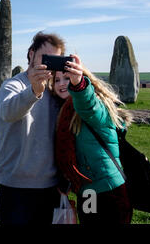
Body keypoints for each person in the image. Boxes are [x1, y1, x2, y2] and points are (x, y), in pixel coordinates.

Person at [0, 31, 66, 225]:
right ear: (31, 54)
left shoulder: (57, 90)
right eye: (45, 57)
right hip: (15, 186)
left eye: (54, 60)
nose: (47, 64)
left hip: (51, 186)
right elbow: (8, 112)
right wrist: (34, 91)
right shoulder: (13, 85)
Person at [53, 55, 133, 224]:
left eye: (67, 78)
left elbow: (88, 106)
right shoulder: (65, 112)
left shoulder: (96, 104)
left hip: (109, 190)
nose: (61, 83)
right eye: (57, 79)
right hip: (89, 192)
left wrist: (79, 85)